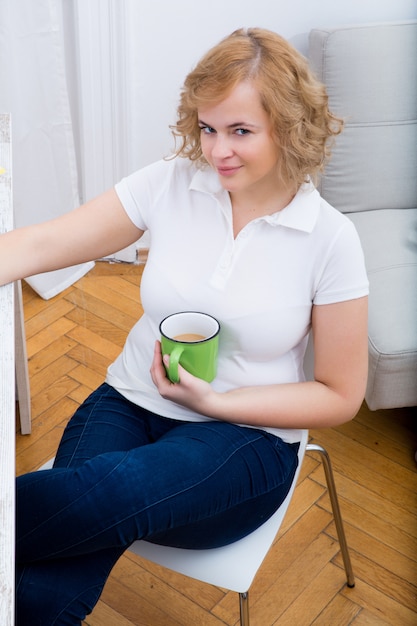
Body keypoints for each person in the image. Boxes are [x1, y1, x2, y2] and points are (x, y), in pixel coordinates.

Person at [1, 27, 368, 625]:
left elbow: (339, 394)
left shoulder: (330, 240)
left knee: (113, 494)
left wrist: (218, 402)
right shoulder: (171, 183)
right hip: (129, 397)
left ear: (290, 126)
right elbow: (44, 243)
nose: (217, 150)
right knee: (47, 585)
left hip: (247, 437)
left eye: (240, 131)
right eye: (207, 127)